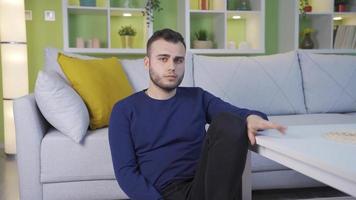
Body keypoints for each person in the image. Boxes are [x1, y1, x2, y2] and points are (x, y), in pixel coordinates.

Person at [109, 28, 286, 200]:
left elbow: (238, 115)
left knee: (229, 122)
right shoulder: (124, 110)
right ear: (147, 62)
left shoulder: (198, 97)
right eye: (163, 59)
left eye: (178, 60)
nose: (172, 67)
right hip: (164, 194)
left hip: (206, 186)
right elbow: (126, 172)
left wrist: (252, 117)